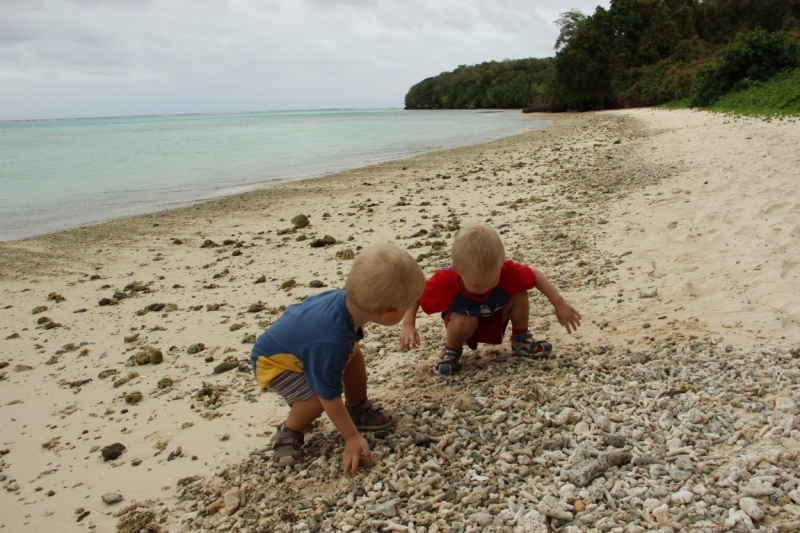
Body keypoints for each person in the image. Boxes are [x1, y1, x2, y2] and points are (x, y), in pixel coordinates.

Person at [251, 242, 425, 475]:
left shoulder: (348, 304)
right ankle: (288, 432)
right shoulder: (331, 341)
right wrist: (351, 437)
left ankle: (357, 407)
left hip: (307, 349)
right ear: (389, 313)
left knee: (353, 354)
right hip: (275, 362)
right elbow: (328, 395)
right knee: (316, 397)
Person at [400, 224, 581, 375]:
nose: (485, 288)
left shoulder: (505, 271)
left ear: (501, 263)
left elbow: (534, 276)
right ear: (457, 270)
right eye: (477, 284)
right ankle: (452, 350)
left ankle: (521, 339)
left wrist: (559, 303)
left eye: (492, 281)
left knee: (519, 291)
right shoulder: (445, 280)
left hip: (496, 315)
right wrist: (408, 325)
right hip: (465, 324)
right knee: (464, 319)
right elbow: (416, 294)